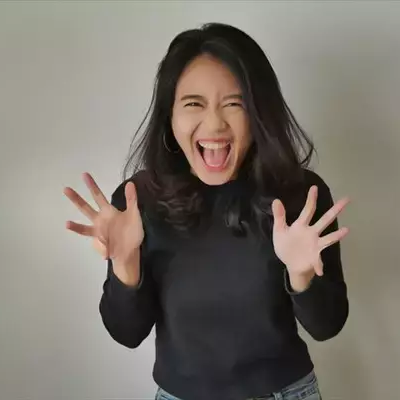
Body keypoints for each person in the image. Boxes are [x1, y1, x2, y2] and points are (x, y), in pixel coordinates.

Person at [63, 22, 350, 400]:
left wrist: (302, 276)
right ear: (170, 115)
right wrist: (126, 265)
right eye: (194, 104)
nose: (214, 124)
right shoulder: (137, 202)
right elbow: (126, 333)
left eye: (235, 104)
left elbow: (328, 325)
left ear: (259, 113)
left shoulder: (299, 196)